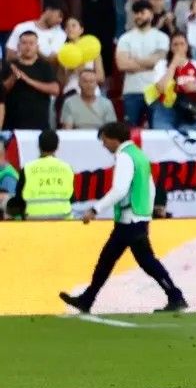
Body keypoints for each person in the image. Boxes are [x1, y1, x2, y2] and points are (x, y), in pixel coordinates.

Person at [59, 121, 188, 314]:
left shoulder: (125, 157)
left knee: (124, 261)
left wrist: (95, 210)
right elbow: (150, 187)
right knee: (128, 261)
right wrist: (146, 213)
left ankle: (176, 296)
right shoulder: (139, 155)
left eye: (104, 140)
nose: (104, 145)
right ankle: (88, 299)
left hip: (129, 219)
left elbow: (119, 189)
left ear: (113, 138)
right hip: (138, 217)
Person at [19, 128, 73, 219]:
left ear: (39, 146)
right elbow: (72, 198)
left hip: (34, 219)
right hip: (63, 219)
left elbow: (19, 200)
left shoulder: (28, 168)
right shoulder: (67, 168)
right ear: (57, 146)